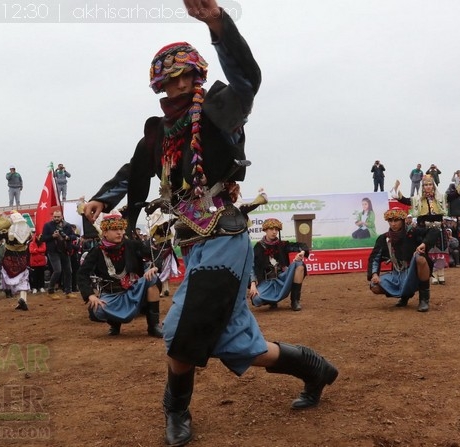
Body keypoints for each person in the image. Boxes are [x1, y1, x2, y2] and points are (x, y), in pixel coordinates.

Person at [82, 3, 338, 445]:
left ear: (197, 74)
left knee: (183, 330)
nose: (178, 84)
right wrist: (102, 199)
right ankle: (316, 368)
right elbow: (133, 170)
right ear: (159, 85)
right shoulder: (160, 133)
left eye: (185, 76)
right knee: (242, 346)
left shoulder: (221, 107)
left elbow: (248, 80)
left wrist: (217, 24)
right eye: (169, 79)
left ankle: (175, 412)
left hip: (226, 238)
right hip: (192, 244)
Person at [77, 213, 163, 337]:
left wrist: (155, 267)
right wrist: (90, 295)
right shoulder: (96, 251)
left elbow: (157, 253)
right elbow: (82, 274)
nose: (119, 233)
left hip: (134, 291)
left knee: (152, 279)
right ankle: (115, 324)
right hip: (112, 295)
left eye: (121, 229)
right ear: (105, 232)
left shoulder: (132, 245)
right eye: (114, 229)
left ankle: (153, 326)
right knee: (95, 310)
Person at [392, 173, 460, 285]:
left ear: (433, 186)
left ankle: (441, 274)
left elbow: (457, 194)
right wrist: (396, 188)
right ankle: (432, 274)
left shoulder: (441, 198)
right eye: (426, 184)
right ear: (422, 187)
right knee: (429, 252)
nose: (428, 186)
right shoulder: (417, 200)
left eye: (430, 184)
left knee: (441, 250)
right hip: (424, 229)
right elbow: (402, 199)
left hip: (439, 228)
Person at [367, 207, 439, 312]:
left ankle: (424, 299)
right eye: (390, 221)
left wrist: (424, 243)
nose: (393, 224)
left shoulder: (412, 231)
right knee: (374, 286)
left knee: (420, 259)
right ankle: (405, 295)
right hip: (397, 274)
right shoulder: (384, 238)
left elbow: (434, 231)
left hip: (413, 271)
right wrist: (374, 274)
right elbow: (374, 257)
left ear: (403, 220)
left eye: (396, 220)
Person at [249, 218, 308, 311]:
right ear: (265, 230)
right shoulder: (258, 247)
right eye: (271, 229)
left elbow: (301, 245)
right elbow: (251, 266)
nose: (274, 232)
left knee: (299, 265)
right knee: (257, 300)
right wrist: (253, 284)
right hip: (267, 281)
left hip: (283, 278)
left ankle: (295, 301)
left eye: (276, 229)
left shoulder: (283, 244)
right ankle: (272, 301)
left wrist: (302, 252)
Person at [0, 211, 33, 311]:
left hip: (9, 257)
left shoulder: (7, 232)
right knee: (23, 278)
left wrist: (2, 219)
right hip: (22, 257)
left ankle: (21, 300)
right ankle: (22, 299)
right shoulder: (27, 231)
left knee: (14, 279)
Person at [40, 209, 76, 296]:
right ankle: (51, 290)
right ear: (53, 216)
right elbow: (43, 238)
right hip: (53, 251)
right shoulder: (48, 225)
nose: (56, 218)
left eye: (58, 217)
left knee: (68, 271)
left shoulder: (67, 225)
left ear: (62, 216)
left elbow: (74, 236)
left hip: (65, 250)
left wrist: (68, 237)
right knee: (58, 270)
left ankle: (68, 291)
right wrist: (52, 236)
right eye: (55, 216)